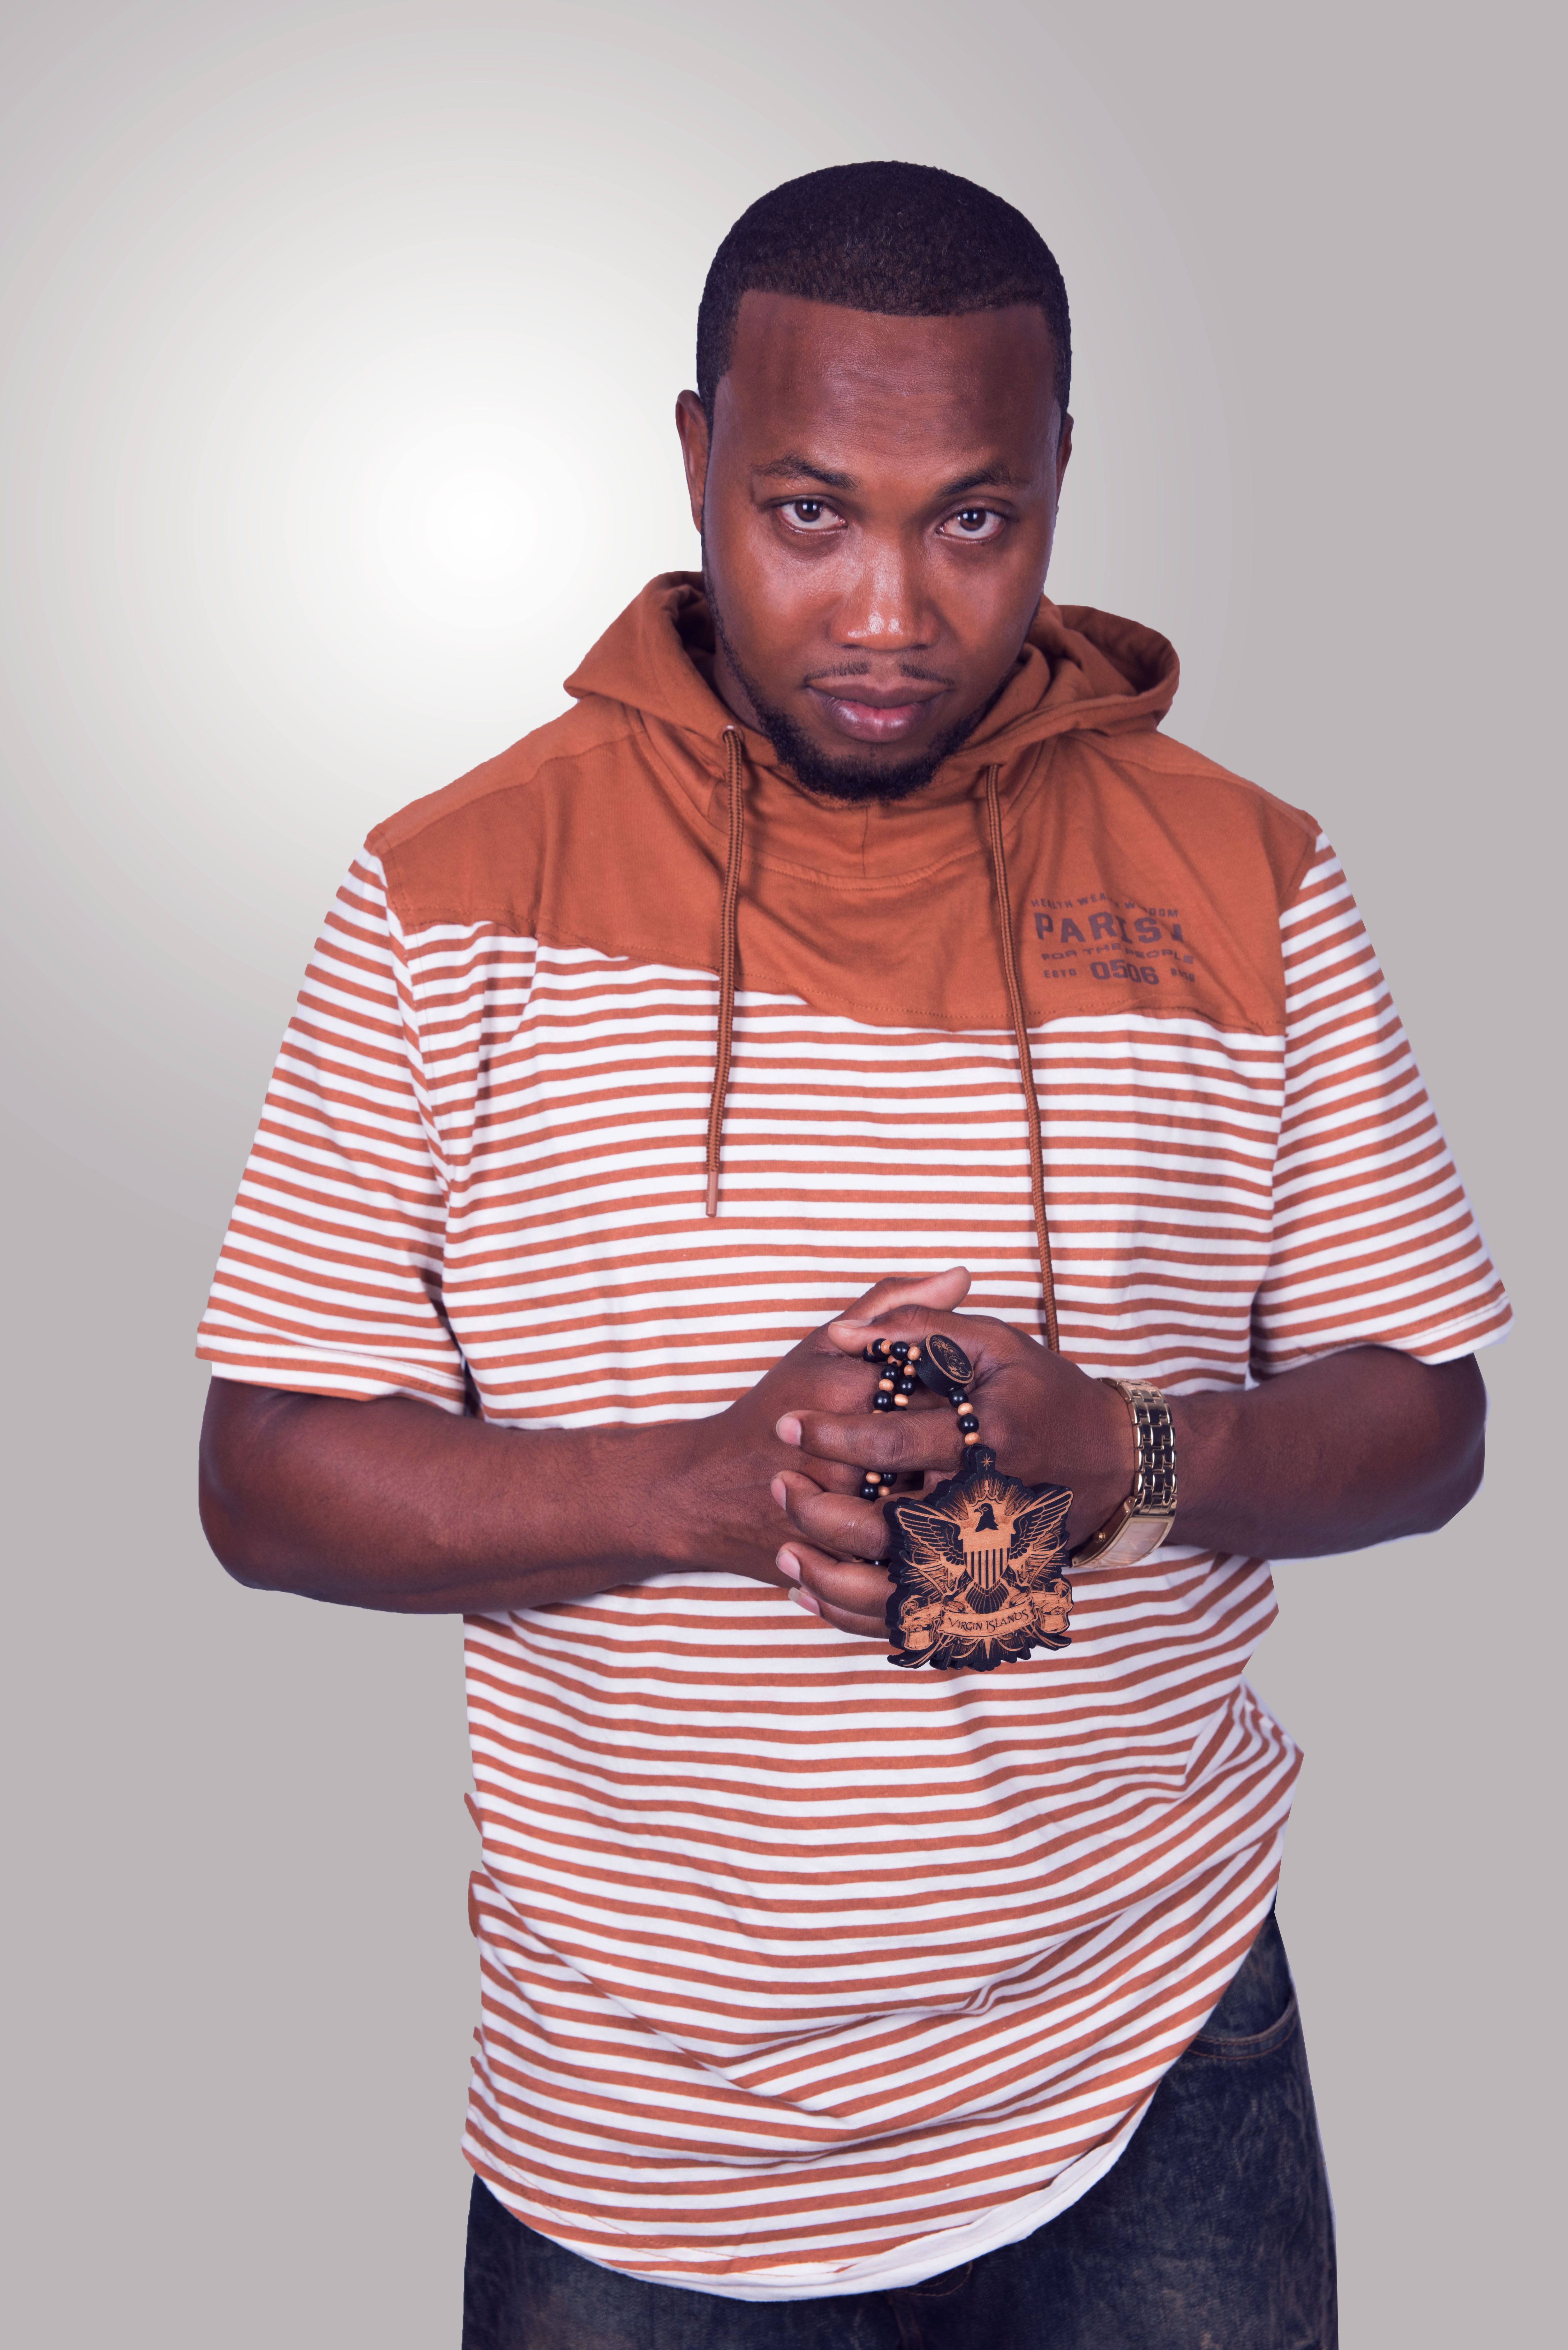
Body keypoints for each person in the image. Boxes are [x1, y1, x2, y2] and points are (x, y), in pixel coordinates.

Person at [197, 162, 1508, 2347]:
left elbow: (1430, 1425)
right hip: (636, 2122)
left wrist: (1131, 1462)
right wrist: (701, 1490)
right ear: (696, 457)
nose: (891, 612)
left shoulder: (1252, 879)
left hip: (1153, 2054)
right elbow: (264, 1482)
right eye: (809, 513)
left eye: (974, 520)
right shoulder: (445, 893)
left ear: (1062, 474)